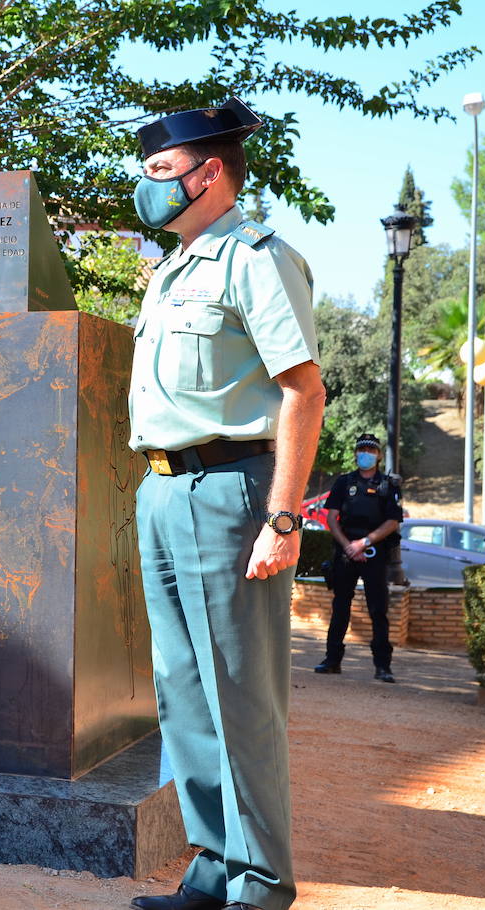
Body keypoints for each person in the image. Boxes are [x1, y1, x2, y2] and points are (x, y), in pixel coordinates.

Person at [127, 98, 325, 910]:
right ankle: (212, 871)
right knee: (182, 697)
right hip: (163, 489)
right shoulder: (174, 268)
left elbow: (303, 392)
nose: (148, 189)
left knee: (240, 700)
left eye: (162, 173)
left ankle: (262, 886)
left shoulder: (256, 257)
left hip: (231, 493)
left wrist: (285, 517)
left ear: (210, 173)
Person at [314, 433, 402, 683]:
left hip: (374, 552)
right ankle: (332, 660)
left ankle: (383, 666)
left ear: (379, 455)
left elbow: (393, 521)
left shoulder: (388, 485)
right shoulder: (344, 482)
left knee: (378, 610)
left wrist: (364, 543)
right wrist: (349, 547)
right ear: (356, 453)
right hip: (346, 553)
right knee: (340, 607)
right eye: (362, 449)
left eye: (370, 450)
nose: (365, 454)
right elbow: (331, 517)